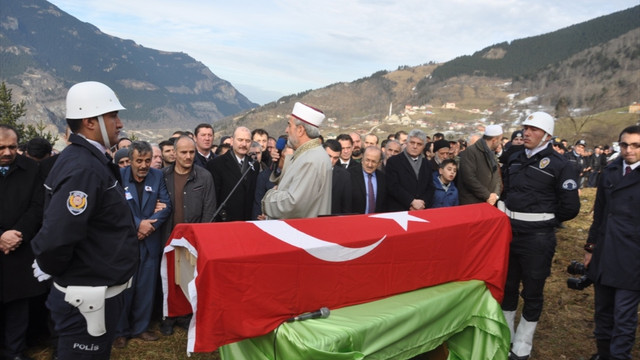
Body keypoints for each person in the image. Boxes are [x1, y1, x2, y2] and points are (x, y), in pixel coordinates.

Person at [31, 81, 139, 359]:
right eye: (113, 115)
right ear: (90, 121)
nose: (120, 123)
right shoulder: (84, 168)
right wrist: (50, 264)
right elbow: (59, 234)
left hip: (93, 292)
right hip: (86, 298)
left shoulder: (89, 161)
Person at [499, 112, 580, 360]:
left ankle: (522, 344)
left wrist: (544, 221)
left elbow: (570, 208)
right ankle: (505, 337)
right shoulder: (513, 158)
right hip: (509, 233)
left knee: (532, 291)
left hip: (537, 238)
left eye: (533, 129)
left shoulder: (561, 165)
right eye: (525, 127)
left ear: (546, 135)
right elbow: (508, 191)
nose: (527, 132)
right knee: (508, 287)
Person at [583, 125, 640, 360]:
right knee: (603, 313)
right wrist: (590, 247)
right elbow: (599, 213)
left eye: (636, 145)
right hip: (605, 253)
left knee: (624, 316)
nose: (629, 150)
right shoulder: (611, 170)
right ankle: (603, 355)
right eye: (624, 145)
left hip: (633, 257)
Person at [113, 141, 171, 348]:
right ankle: (120, 331)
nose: (144, 165)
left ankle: (141, 328)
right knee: (123, 289)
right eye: (139, 161)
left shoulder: (157, 176)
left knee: (146, 287)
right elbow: (116, 209)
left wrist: (149, 227)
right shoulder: (119, 177)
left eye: (147, 160)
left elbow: (166, 206)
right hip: (127, 242)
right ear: (131, 160)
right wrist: (138, 224)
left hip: (150, 241)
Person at [160, 135, 215, 335]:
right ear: (174, 153)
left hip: (193, 239)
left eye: (192, 152)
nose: (188, 156)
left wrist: (202, 239)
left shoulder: (204, 177)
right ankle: (167, 317)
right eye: (183, 152)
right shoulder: (162, 176)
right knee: (167, 278)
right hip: (167, 236)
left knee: (187, 278)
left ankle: (184, 315)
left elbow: (209, 210)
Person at [0, 125, 46, 360]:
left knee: (19, 304)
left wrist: (18, 233)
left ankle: (15, 351)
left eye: (12, 147)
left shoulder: (31, 169)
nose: (7, 152)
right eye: (1, 147)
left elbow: (38, 206)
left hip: (20, 247)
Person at [261, 102, 332, 219]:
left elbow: (292, 204)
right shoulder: (308, 154)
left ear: (300, 130)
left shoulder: (311, 160)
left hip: (303, 233)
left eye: (289, 125)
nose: (286, 130)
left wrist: (269, 196)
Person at [207, 126, 258, 222]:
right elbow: (212, 198)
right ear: (232, 140)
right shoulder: (216, 164)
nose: (244, 144)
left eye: (247, 141)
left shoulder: (255, 164)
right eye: (240, 140)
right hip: (225, 221)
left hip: (248, 221)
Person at [385, 129, 435, 211]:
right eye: (412, 142)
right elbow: (393, 186)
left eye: (419, 144)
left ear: (423, 147)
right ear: (406, 143)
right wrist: (411, 202)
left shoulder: (427, 164)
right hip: (400, 211)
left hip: (421, 210)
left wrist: (421, 204)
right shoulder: (394, 161)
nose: (415, 146)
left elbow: (430, 187)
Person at [457, 124, 503, 205]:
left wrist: (495, 195)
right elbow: (469, 178)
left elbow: (497, 177)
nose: (500, 143)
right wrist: (487, 195)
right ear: (494, 140)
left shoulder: (492, 153)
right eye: (500, 140)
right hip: (473, 204)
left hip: (490, 203)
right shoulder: (470, 152)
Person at [350, 146, 386, 214]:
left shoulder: (383, 178)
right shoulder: (349, 175)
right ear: (362, 159)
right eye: (367, 160)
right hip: (354, 220)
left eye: (373, 161)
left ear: (379, 163)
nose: (370, 165)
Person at [323, 140, 352, 215]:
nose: (331, 161)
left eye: (335, 158)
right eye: (329, 156)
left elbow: (346, 206)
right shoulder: (312, 170)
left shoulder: (344, 176)